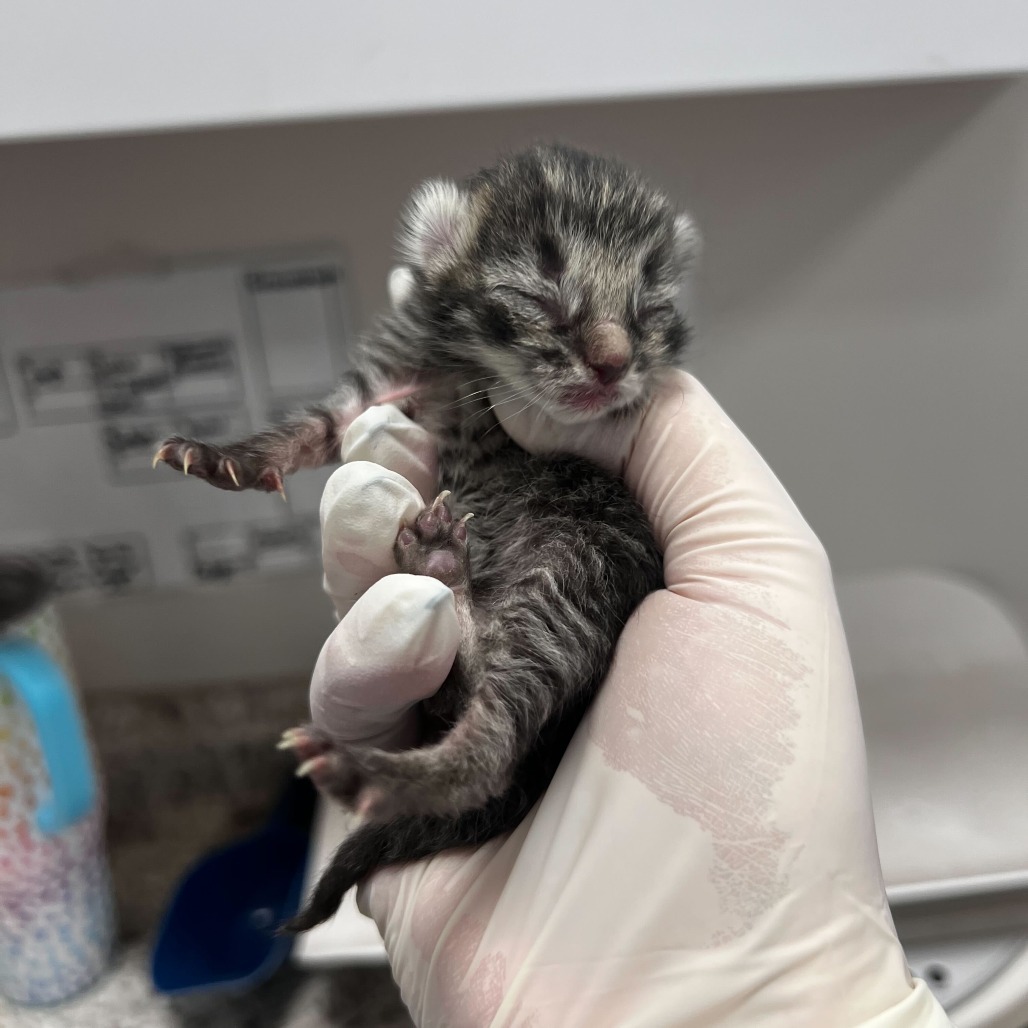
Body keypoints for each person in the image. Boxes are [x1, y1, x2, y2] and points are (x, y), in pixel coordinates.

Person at [306, 369, 953, 1027]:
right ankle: (461, 645)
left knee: (497, 649)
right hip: (517, 665)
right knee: (445, 641)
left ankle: (462, 660)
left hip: (551, 671)